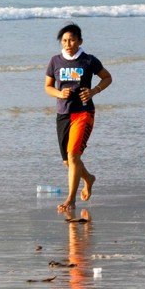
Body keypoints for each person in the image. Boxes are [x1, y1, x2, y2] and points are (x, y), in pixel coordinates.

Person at [45, 24, 112, 214]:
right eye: (64, 40)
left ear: (80, 41)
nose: (68, 44)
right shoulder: (55, 61)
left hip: (83, 113)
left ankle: (70, 200)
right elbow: (47, 87)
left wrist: (93, 91)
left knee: (74, 156)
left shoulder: (88, 61)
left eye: (72, 40)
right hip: (63, 114)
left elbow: (107, 77)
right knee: (68, 161)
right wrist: (59, 93)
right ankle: (88, 178)